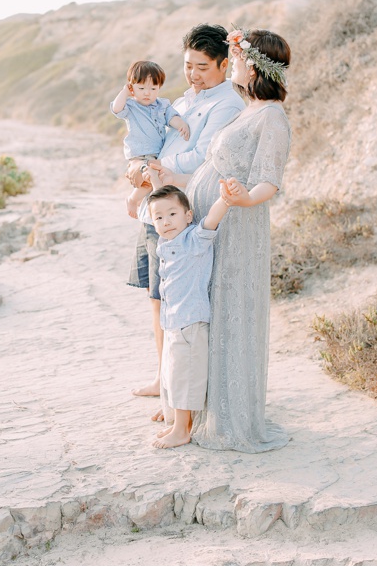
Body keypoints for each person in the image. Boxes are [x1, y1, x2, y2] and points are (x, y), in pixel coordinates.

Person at [154, 28, 292, 452]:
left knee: (229, 310)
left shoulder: (272, 116)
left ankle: (229, 417)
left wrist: (242, 198)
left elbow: (270, 179)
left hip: (235, 226)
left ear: (255, 66)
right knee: (204, 313)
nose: (232, 63)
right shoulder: (249, 109)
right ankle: (195, 408)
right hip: (214, 220)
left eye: (237, 58)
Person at [126, 25, 245, 401]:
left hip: (181, 216)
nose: (193, 74)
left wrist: (154, 167)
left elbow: (202, 156)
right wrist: (139, 167)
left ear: (224, 65)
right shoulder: (180, 100)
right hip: (157, 208)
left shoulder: (227, 104)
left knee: (177, 307)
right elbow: (156, 139)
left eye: (202, 67)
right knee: (157, 300)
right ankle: (164, 379)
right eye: (188, 65)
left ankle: (175, 390)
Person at [145, 183, 234, 449]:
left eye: (172, 214)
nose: (166, 221)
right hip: (173, 323)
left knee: (186, 377)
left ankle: (182, 430)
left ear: (188, 215)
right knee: (173, 375)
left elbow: (211, 222)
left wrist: (225, 200)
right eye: (158, 217)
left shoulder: (193, 239)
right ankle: (178, 423)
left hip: (191, 322)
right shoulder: (164, 244)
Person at [110, 60, 190, 219]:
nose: (147, 93)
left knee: (151, 178)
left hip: (156, 156)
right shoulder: (131, 106)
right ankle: (134, 199)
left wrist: (181, 124)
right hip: (139, 156)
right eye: (141, 88)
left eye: (153, 88)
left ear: (159, 87)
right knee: (149, 175)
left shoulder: (163, 105)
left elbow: (171, 117)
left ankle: (142, 199)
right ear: (132, 87)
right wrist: (125, 93)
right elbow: (116, 108)